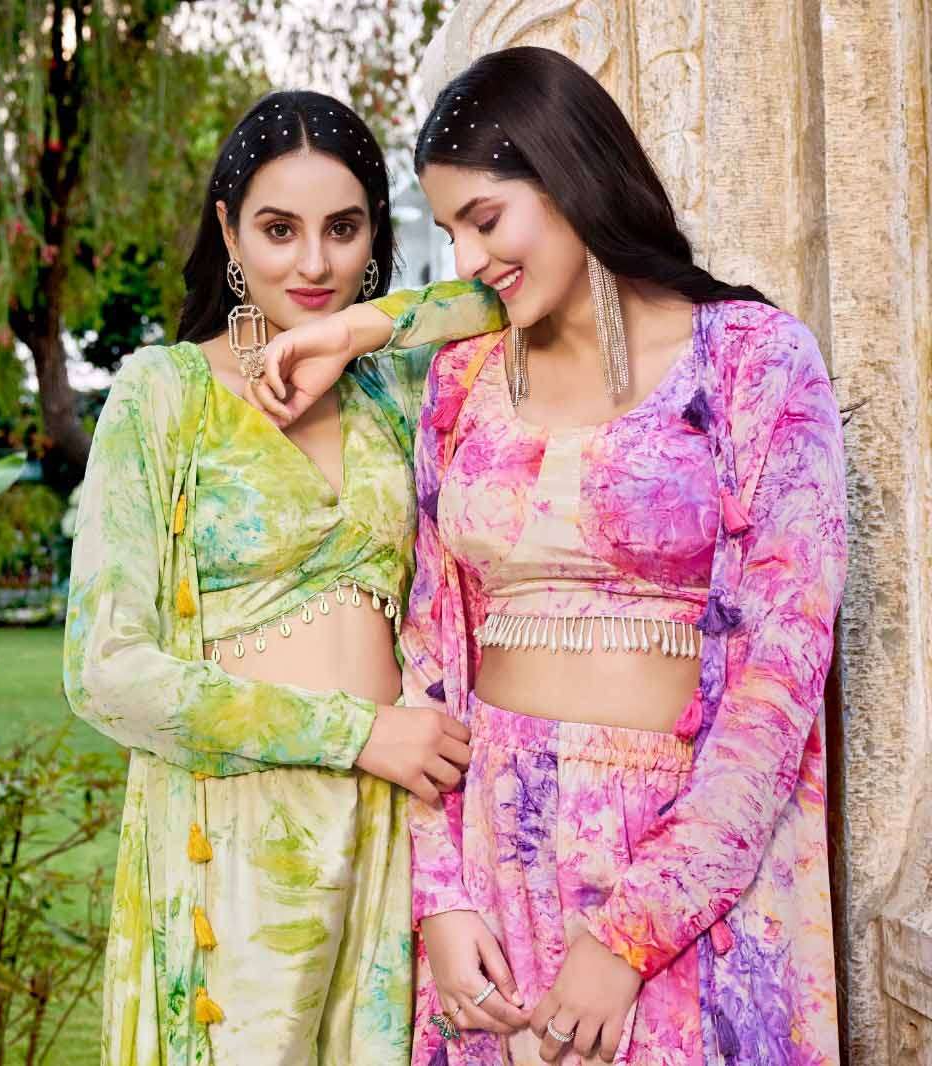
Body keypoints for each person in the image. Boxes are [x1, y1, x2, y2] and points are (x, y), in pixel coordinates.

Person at [251, 48, 847, 1066]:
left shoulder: (753, 359)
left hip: (688, 869)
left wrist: (631, 934)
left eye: (485, 220)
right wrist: (441, 899)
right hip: (497, 859)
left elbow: (779, 676)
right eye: (449, 232)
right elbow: (432, 652)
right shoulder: (462, 382)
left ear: (570, 175)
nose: (468, 259)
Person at [63, 90, 506, 1065]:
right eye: (278, 230)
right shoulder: (163, 394)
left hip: (391, 830)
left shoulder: (397, 388)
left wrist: (354, 333)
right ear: (228, 230)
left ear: (375, 234)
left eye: (343, 229)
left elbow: (511, 290)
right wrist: (357, 734)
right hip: (236, 846)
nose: (313, 264)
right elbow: (106, 673)